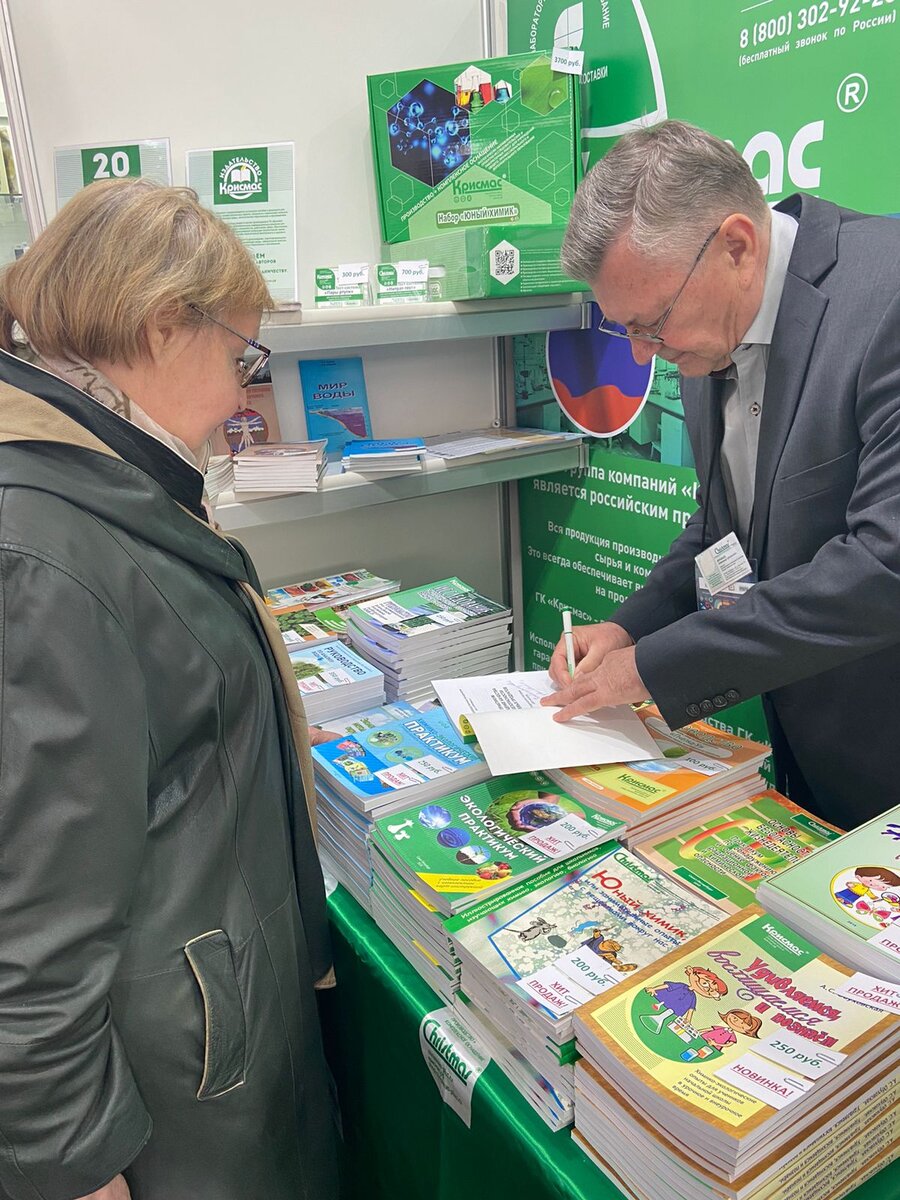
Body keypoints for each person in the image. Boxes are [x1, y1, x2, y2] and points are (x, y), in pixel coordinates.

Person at [0, 180, 340, 1200]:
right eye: (239, 352)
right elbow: (30, 937)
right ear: (160, 323)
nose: (245, 392)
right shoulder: (45, 552)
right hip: (172, 1102)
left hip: (207, 1035)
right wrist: (76, 1170)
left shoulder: (105, 477)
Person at [544, 119, 900, 830]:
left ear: (737, 245)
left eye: (651, 325)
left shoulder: (886, 295)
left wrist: (654, 668)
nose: (645, 357)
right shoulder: (707, 332)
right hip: (807, 756)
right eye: (629, 333)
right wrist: (627, 628)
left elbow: (884, 565)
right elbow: (721, 527)